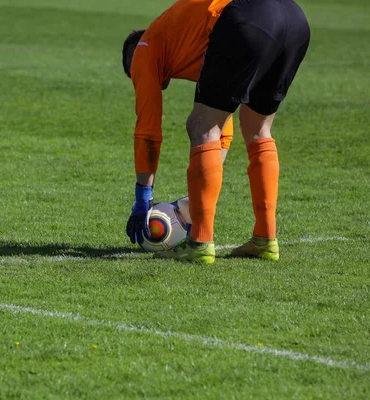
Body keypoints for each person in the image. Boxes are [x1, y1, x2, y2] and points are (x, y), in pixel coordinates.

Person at [123, 0, 310, 264]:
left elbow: (148, 131)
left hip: (244, 17)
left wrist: (143, 198)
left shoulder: (144, 48)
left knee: (199, 126)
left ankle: (200, 243)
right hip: (293, 18)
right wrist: (197, 197)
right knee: (258, 129)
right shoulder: (187, 39)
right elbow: (222, 126)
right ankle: (265, 240)